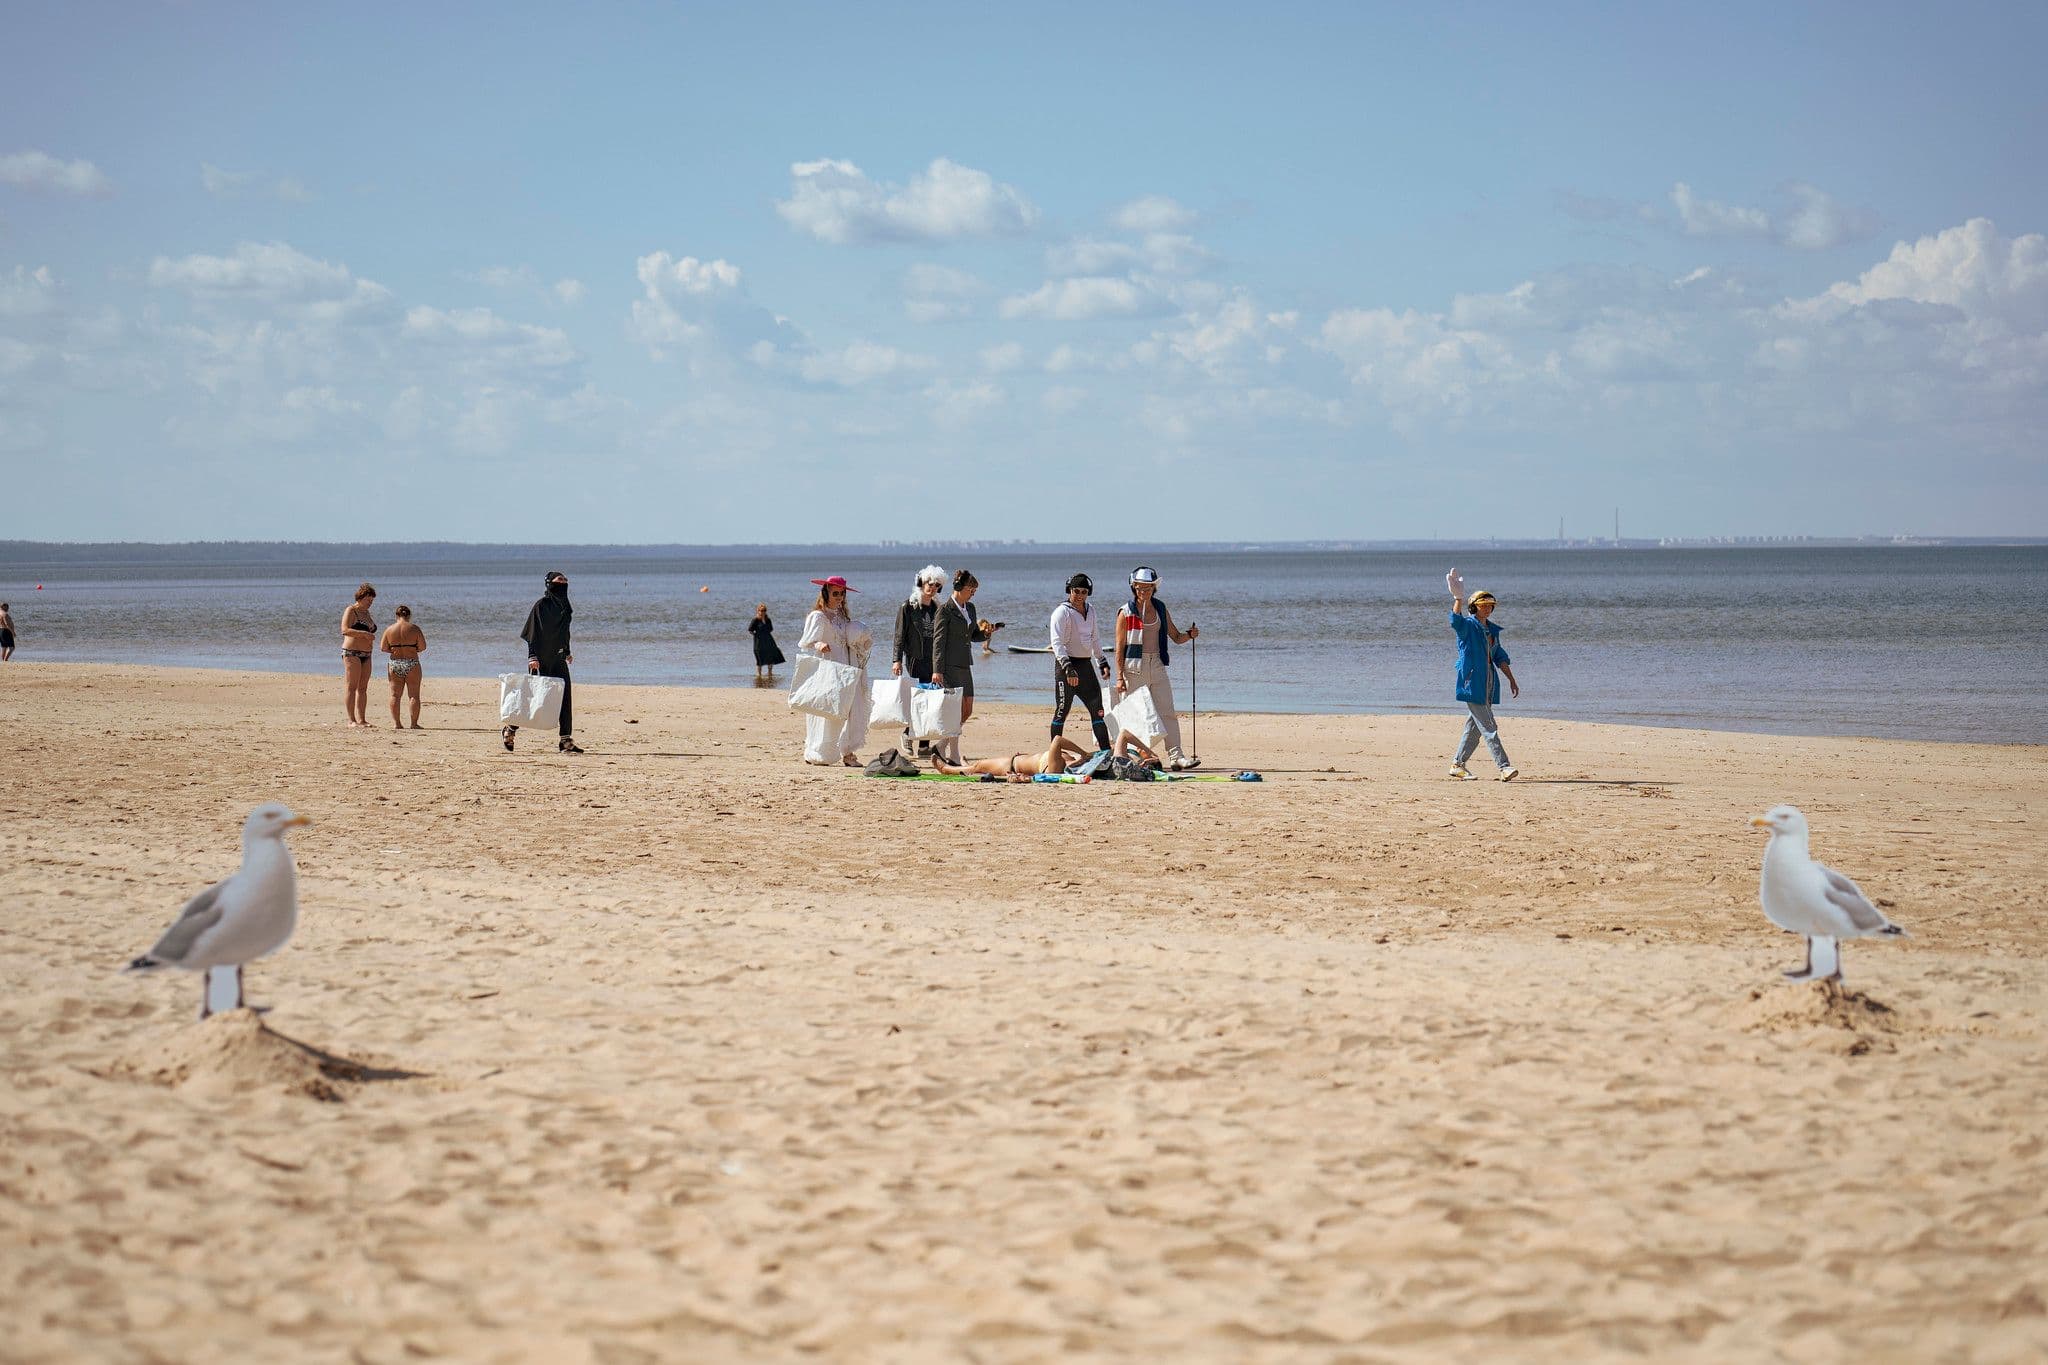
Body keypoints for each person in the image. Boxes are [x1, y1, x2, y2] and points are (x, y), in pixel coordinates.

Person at [1114, 566, 1201, 770]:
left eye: (1147, 588)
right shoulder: (1125, 612)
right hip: (1133, 667)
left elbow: (1176, 637)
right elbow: (1119, 648)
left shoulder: (1160, 608)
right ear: (1133, 587)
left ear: (1154, 588)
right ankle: (1134, 755)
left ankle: (1176, 757)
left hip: (1157, 665)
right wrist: (1119, 677)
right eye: (1139, 588)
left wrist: (1190, 635)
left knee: (1167, 711)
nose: (1143, 592)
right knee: (1135, 714)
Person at [1446, 570, 1520, 781]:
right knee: (1489, 726)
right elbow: (1456, 622)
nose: (1487, 608)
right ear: (1474, 607)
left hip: (1488, 683)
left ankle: (1457, 764)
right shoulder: (1469, 626)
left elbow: (1499, 656)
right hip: (1472, 682)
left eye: (1490, 606)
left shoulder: (1492, 631)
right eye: (1483, 605)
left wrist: (1511, 679)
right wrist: (1458, 598)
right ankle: (1504, 767)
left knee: (1475, 728)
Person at [799, 575, 872, 766]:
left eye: (842, 594)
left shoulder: (843, 617)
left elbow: (849, 639)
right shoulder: (818, 616)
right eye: (835, 593)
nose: (839, 597)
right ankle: (820, 750)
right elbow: (806, 642)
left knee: (850, 707)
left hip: (847, 667)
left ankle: (848, 752)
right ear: (826, 593)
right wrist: (819, 644)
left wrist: (861, 640)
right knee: (829, 709)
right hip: (828, 667)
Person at [505, 571, 581, 754]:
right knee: (534, 697)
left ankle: (565, 741)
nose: (563, 582)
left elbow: (564, 631)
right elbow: (533, 632)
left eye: (565, 580)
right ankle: (510, 729)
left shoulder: (565, 606)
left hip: (558, 657)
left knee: (564, 697)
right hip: (540, 658)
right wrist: (532, 656)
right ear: (549, 583)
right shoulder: (541, 605)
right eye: (559, 580)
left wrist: (567, 651)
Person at [1049, 573, 1114, 752]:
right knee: (1062, 711)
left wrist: (1102, 661)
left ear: (1088, 593)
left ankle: (1106, 753)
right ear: (1069, 590)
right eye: (1076, 591)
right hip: (1066, 668)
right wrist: (1068, 668)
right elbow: (1057, 643)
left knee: (1098, 711)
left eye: (1084, 592)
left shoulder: (1091, 610)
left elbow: (1095, 638)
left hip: (1085, 667)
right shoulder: (1061, 612)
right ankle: (1055, 754)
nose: (1079, 595)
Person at [930, 568, 988, 764]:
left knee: (967, 710)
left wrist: (987, 632)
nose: (973, 594)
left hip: (965, 664)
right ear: (959, 587)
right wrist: (937, 670)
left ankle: (941, 745)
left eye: (974, 591)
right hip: (949, 666)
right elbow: (938, 641)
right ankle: (954, 754)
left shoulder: (970, 608)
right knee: (955, 710)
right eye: (971, 590)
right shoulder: (944, 610)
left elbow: (972, 636)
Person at [891, 565, 945, 754]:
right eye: (929, 583)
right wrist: (896, 660)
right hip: (916, 659)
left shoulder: (938, 608)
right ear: (921, 583)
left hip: (934, 660)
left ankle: (923, 745)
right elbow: (899, 635)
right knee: (921, 699)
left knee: (931, 700)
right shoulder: (908, 607)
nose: (932, 587)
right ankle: (907, 734)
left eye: (936, 585)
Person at [378, 605, 427, 730]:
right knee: (414, 695)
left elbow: (383, 648)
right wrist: (412, 649)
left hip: (395, 663)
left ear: (396, 616)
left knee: (395, 695)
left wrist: (394, 650)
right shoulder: (414, 628)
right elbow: (422, 647)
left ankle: (397, 724)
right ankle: (414, 724)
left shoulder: (389, 629)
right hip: (412, 663)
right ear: (409, 616)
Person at [341, 583, 377, 728]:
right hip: (352, 652)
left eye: (372, 600)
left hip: (367, 654)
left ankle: (362, 719)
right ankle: (351, 720)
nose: (370, 603)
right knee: (352, 686)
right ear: (361, 597)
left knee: (363, 688)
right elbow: (345, 630)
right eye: (368, 600)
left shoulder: (367, 613)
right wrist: (364, 634)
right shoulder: (351, 610)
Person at [749, 603, 786, 680]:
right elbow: (750, 630)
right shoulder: (755, 620)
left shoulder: (768, 620)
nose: (763, 612)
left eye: (764, 610)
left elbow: (771, 629)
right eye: (761, 610)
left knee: (771, 655)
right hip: (759, 641)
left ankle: (770, 672)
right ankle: (759, 674)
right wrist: (756, 635)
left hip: (768, 639)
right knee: (759, 656)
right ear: (758, 611)